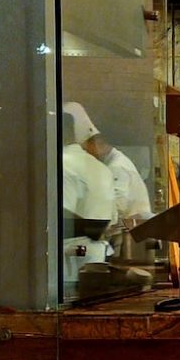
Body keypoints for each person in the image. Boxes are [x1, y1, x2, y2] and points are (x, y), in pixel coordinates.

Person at [63, 102, 152, 220]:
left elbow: (117, 206)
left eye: (86, 148)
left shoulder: (117, 167)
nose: (86, 153)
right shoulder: (109, 164)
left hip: (134, 233)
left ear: (98, 143)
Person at [61, 112, 116, 284]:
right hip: (98, 257)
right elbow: (112, 219)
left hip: (70, 259)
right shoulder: (102, 168)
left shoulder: (62, 163)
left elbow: (62, 214)